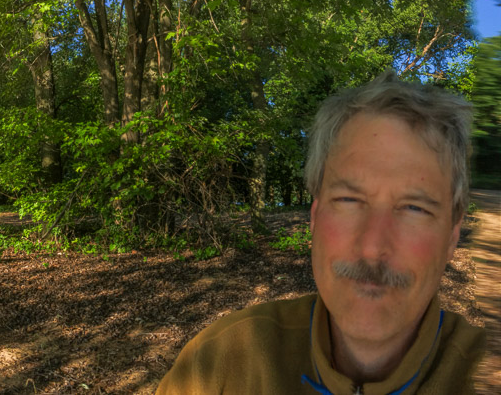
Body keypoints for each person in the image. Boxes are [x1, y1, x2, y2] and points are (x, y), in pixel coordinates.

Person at [156, 73, 485, 394]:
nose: (372, 247)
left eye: (414, 208)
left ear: (452, 235)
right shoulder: (218, 364)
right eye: (349, 200)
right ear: (314, 217)